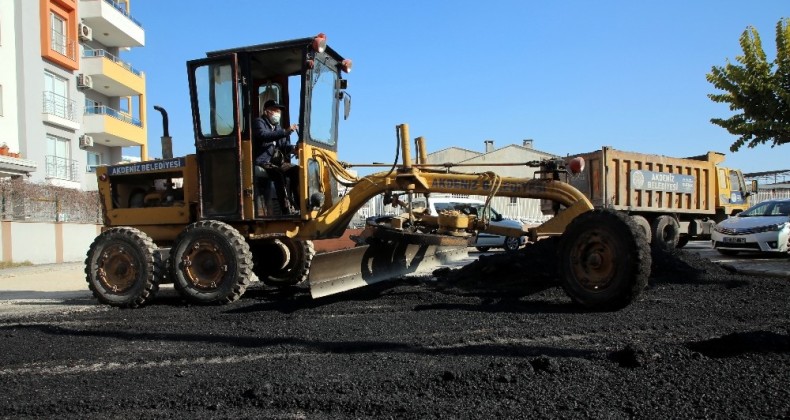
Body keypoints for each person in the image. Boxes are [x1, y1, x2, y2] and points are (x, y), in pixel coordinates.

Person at [253, 99, 300, 215]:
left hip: (276, 161)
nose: (277, 114)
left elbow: (283, 145)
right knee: (278, 174)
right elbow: (264, 136)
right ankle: (285, 209)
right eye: (274, 111)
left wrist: (293, 149)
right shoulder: (259, 123)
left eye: (278, 111)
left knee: (296, 170)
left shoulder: (278, 128)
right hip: (262, 160)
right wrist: (286, 131)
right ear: (266, 112)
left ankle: (299, 206)